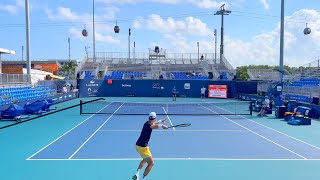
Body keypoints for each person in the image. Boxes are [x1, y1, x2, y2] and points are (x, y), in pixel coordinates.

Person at [132, 112, 168, 180]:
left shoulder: (146, 123)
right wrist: (162, 126)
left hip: (137, 146)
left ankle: (137, 174)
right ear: (154, 118)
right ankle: (143, 178)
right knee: (151, 163)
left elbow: (153, 124)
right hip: (143, 148)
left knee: (145, 159)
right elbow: (153, 126)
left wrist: (160, 121)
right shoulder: (150, 125)